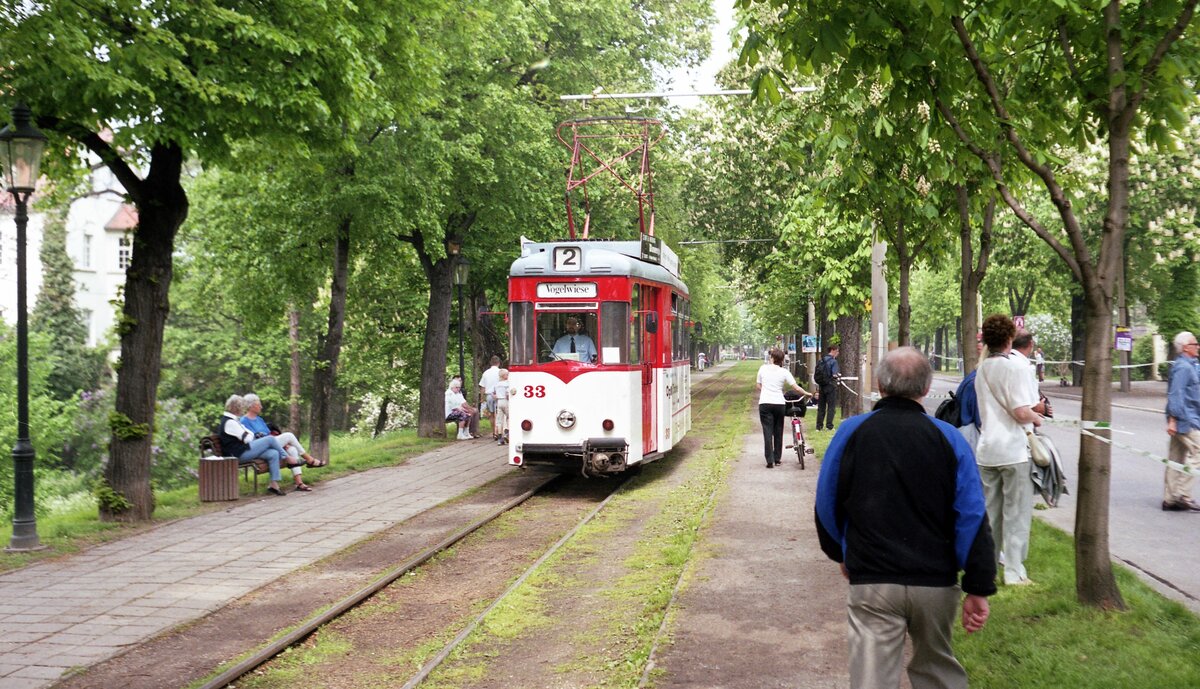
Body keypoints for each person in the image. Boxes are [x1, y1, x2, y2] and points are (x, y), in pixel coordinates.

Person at [816, 347, 995, 689]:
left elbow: (826, 503)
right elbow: (972, 515)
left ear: (880, 385)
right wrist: (978, 586)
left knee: (871, 678)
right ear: (926, 389)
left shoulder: (850, 433)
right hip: (936, 583)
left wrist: (841, 552)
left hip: (873, 581)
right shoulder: (950, 439)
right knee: (938, 670)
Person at [975, 314, 1042, 585]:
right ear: (1009, 338)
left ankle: (988, 569)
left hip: (986, 449)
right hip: (1012, 451)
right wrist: (1037, 417)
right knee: (1016, 513)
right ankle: (1014, 572)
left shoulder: (981, 369)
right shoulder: (1014, 368)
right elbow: (1020, 411)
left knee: (991, 515)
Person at [217, 394, 291, 496]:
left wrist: (248, 432)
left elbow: (249, 435)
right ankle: (286, 457)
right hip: (237, 455)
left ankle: (274, 485)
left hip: (242, 451)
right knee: (269, 439)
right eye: (242, 407)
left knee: (273, 453)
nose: (243, 410)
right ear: (236, 408)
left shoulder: (233, 420)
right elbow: (248, 439)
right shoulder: (230, 422)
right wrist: (248, 432)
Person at [241, 393, 314, 492]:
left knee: (292, 450)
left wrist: (284, 445)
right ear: (252, 406)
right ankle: (309, 459)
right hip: (259, 448)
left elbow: (269, 434)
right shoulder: (244, 421)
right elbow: (252, 439)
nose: (261, 407)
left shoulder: (259, 419)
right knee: (289, 435)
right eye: (259, 404)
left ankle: (299, 483)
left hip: (270, 444)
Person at [1163, 331, 1200, 511]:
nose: (1198, 346)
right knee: (1199, 451)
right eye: (1195, 344)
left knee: (1175, 458)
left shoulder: (1189, 365)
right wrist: (1173, 420)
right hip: (1186, 420)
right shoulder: (1184, 368)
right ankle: (1183, 494)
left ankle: (1170, 499)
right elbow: (1175, 394)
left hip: (1184, 418)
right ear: (1186, 347)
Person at [756, 347, 810, 468]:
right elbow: (796, 387)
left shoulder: (763, 369)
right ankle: (777, 458)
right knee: (778, 430)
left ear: (772, 358)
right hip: (779, 403)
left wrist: (766, 390)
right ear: (781, 360)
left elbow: (758, 385)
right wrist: (807, 393)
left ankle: (769, 460)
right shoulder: (784, 372)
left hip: (765, 403)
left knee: (767, 431)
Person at [815, 344, 841, 431]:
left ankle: (819, 426)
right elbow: (834, 374)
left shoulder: (821, 360)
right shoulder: (833, 362)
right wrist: (838, 375)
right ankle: (829, 426)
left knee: (821, 407)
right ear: (833, 350)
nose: (838, 353)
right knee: (831, 407)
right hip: (830, 386)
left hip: (822, 386)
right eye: (837, 351)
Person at [479, 356, 502, 440]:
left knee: (491, 414)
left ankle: (494, 432)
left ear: (490, 363)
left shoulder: (486, 373)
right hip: (499, 395)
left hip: (489, 395)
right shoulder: (501, 372)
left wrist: (482, 398)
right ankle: (499, 431)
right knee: (499, 414)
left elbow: (482, 387)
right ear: (499, 363)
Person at [494, 369, 510, 446]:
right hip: (506, 401)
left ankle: (500, 439)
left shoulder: (497, 384)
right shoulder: (507, 384)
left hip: (499, 402)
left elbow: (493, 393)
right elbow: (507, 393)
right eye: (507, 374)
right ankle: (507, 433)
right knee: (509, 417)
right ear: (505, 376)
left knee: (499, 420)